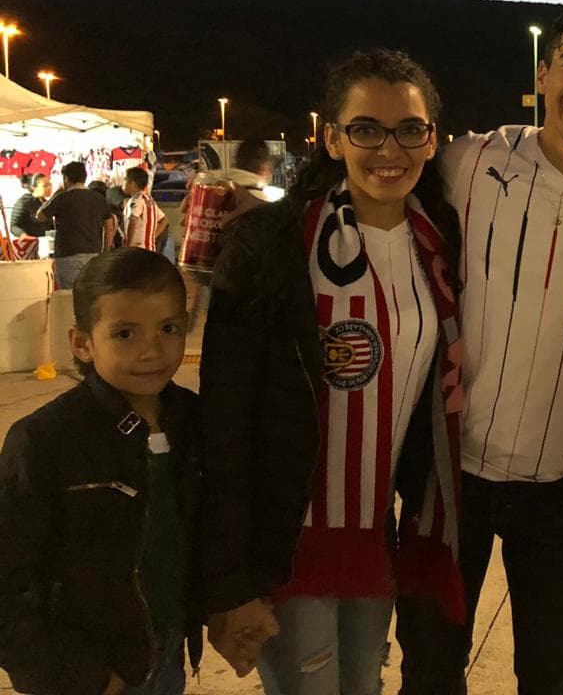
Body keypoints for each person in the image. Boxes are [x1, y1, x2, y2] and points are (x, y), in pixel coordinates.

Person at [395, 0, 563, 695]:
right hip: (451, 476)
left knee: (554, 677)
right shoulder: (467, 162)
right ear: (543, 74)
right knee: (430, 671)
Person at [199, 49, 465, 694]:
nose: (389, 149)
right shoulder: (271, 245)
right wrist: (229, 580)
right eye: (366, 129)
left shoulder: (439, 242)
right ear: (333, 139)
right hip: (286, 544)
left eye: (410, 129)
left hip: (375, 537)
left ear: (432, 140)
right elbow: (225, 423)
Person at [0, 248, 200, 695]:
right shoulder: (44, 440)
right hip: (86, 667)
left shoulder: (193, 422)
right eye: (125, 333)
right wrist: (75, 674)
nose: (152, 350)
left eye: (168, 329)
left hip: (165, 651)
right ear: (82, 343)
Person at [36, 161, 118, 289]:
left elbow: (40, 216)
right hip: (93, 254)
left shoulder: (62, 198)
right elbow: (109, 225)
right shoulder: (99, 198)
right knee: (89, 292)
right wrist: (106, 249)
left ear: (66, 178)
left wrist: (56, 194)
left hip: (68, 255)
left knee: (70, 294)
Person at [123, 166, 169, 251]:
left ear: (132, 183)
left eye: (125, 180)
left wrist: (128, 244)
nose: (123, 183)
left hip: (138, 250)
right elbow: (164, 220)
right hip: (149, 248)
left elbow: (133, 221)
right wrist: (151, 238)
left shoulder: (136, 200)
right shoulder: (149, 199)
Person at [9, 173, 49, 239]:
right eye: (45, 185)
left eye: (50, 184)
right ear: (34, 187)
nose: (49, 187)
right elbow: (14, 226)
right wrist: (22, 235)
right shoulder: (24, 202)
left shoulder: (46, 202)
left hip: (47, 240)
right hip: (32, 241)